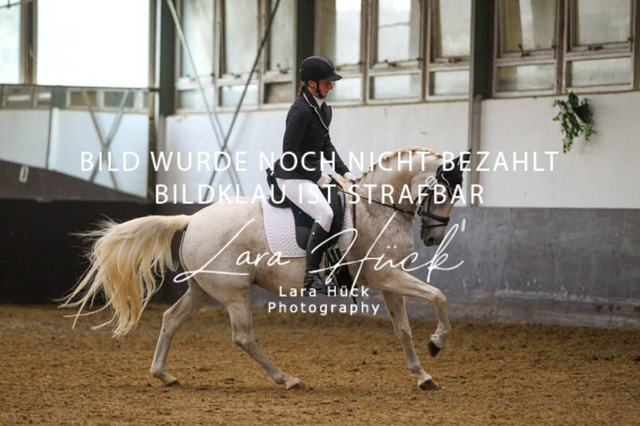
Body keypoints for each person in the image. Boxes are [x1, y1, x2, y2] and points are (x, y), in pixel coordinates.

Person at [272, 55, 356, 294]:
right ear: (311, 83)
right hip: (292, 175)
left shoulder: (323, 110)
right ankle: (310, 276)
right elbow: (289, 152)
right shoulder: (299, 111)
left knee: (341, 204)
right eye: (326, 82)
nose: (331, 87)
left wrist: (344, 171)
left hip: (309, 174)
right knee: (325, 213)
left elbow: (326, 145)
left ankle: (337, 267)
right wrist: (316, 176)